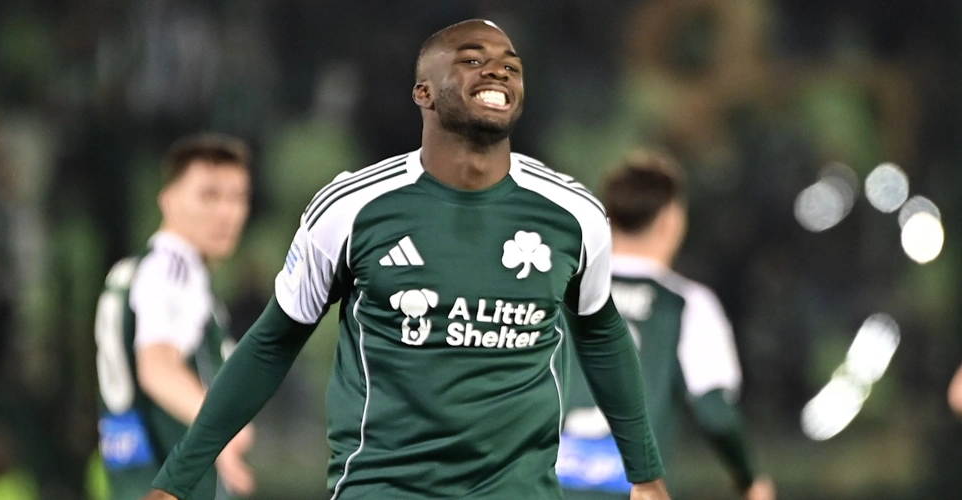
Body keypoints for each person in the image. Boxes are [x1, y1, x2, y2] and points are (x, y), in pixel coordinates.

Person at [144, 20, 670, 500]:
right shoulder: (351, 209)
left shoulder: (574, 215)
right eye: (473, 59)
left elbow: (601, 334)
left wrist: (645, 474)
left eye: (511, 65)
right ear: (424, 92)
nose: (498, 71)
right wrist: (175, 483)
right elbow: (271, 343)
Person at [557, 150, 774, 500]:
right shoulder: (686, 305)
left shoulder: (558, 289)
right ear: (670, 220)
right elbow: (715, 413)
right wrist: (749, 479)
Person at [94, 133, 255, 500]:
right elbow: (158, 367)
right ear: (168, 200)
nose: (227, 212)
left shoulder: (134, 271)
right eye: (209, 195)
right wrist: (224, 432)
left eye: (238, 197)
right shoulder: (173, 270)